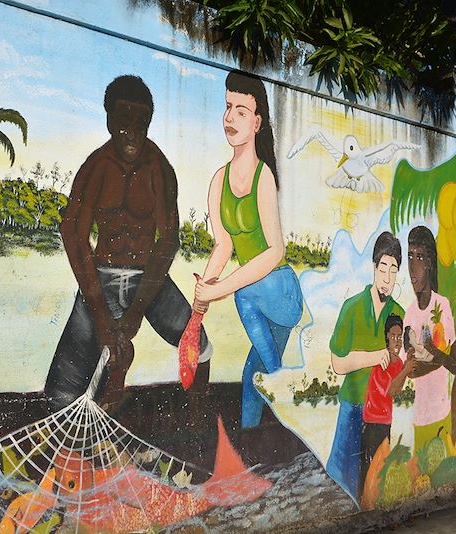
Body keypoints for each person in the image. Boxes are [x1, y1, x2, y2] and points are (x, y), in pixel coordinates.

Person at [44, 75, 212, 411]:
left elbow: (167, 242)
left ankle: (198, 425)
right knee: (61, 393)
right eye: (124, 121)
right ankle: (112, 384)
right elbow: (74, 235)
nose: (132, 131)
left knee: (200, 349)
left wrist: (136, 312)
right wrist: (101, 316)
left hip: (148, 280)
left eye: (141, 121)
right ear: (109, 120)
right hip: (101, 277)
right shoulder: (96, 167)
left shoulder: (159, 169)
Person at [193, 70, 302, 429]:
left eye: (242, 111)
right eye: (227, 107)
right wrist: (199, 304)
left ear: (257, 123)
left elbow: (274, 251)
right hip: (255, 296)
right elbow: (223, 245)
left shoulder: (264, 176)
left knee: (242, 294)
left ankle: (280, 380)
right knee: (249, 377)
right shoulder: (218, 180)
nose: (230, 118)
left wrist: (221, 289)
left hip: (281, 291)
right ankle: (251, 437)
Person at [326, 231, 404, 503]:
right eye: (383, 267)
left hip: (381, 414)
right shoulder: (352, 307)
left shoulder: (398, 314)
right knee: (342, 485)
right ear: (374, 267)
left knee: (374, 486)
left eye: (393, 270)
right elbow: (338, 363)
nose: (387, 276)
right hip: (353, 407)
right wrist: (374, 356)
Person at [403, 225, 456, 451]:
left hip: (443, 415)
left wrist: (433, 353)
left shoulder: (442, 305)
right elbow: (413, 370)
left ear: (429, 263)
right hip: (420, 420)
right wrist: (440, 357)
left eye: (419, 257)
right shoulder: (409, 315)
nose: (412, 266)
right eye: (409, 256)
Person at [359, 314, 416, 497]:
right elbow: (391, 390)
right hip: (373, 423)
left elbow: (397, 389)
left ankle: (376, 499)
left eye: (399, 337)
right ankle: (366, 502)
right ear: (386, 338)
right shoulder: (381, 362)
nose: (397, 341)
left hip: (385, 421)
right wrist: (406, 370)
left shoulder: (398, 363)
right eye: (393, 336)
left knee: (382, 465)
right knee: (371, 468)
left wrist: (406, 368)